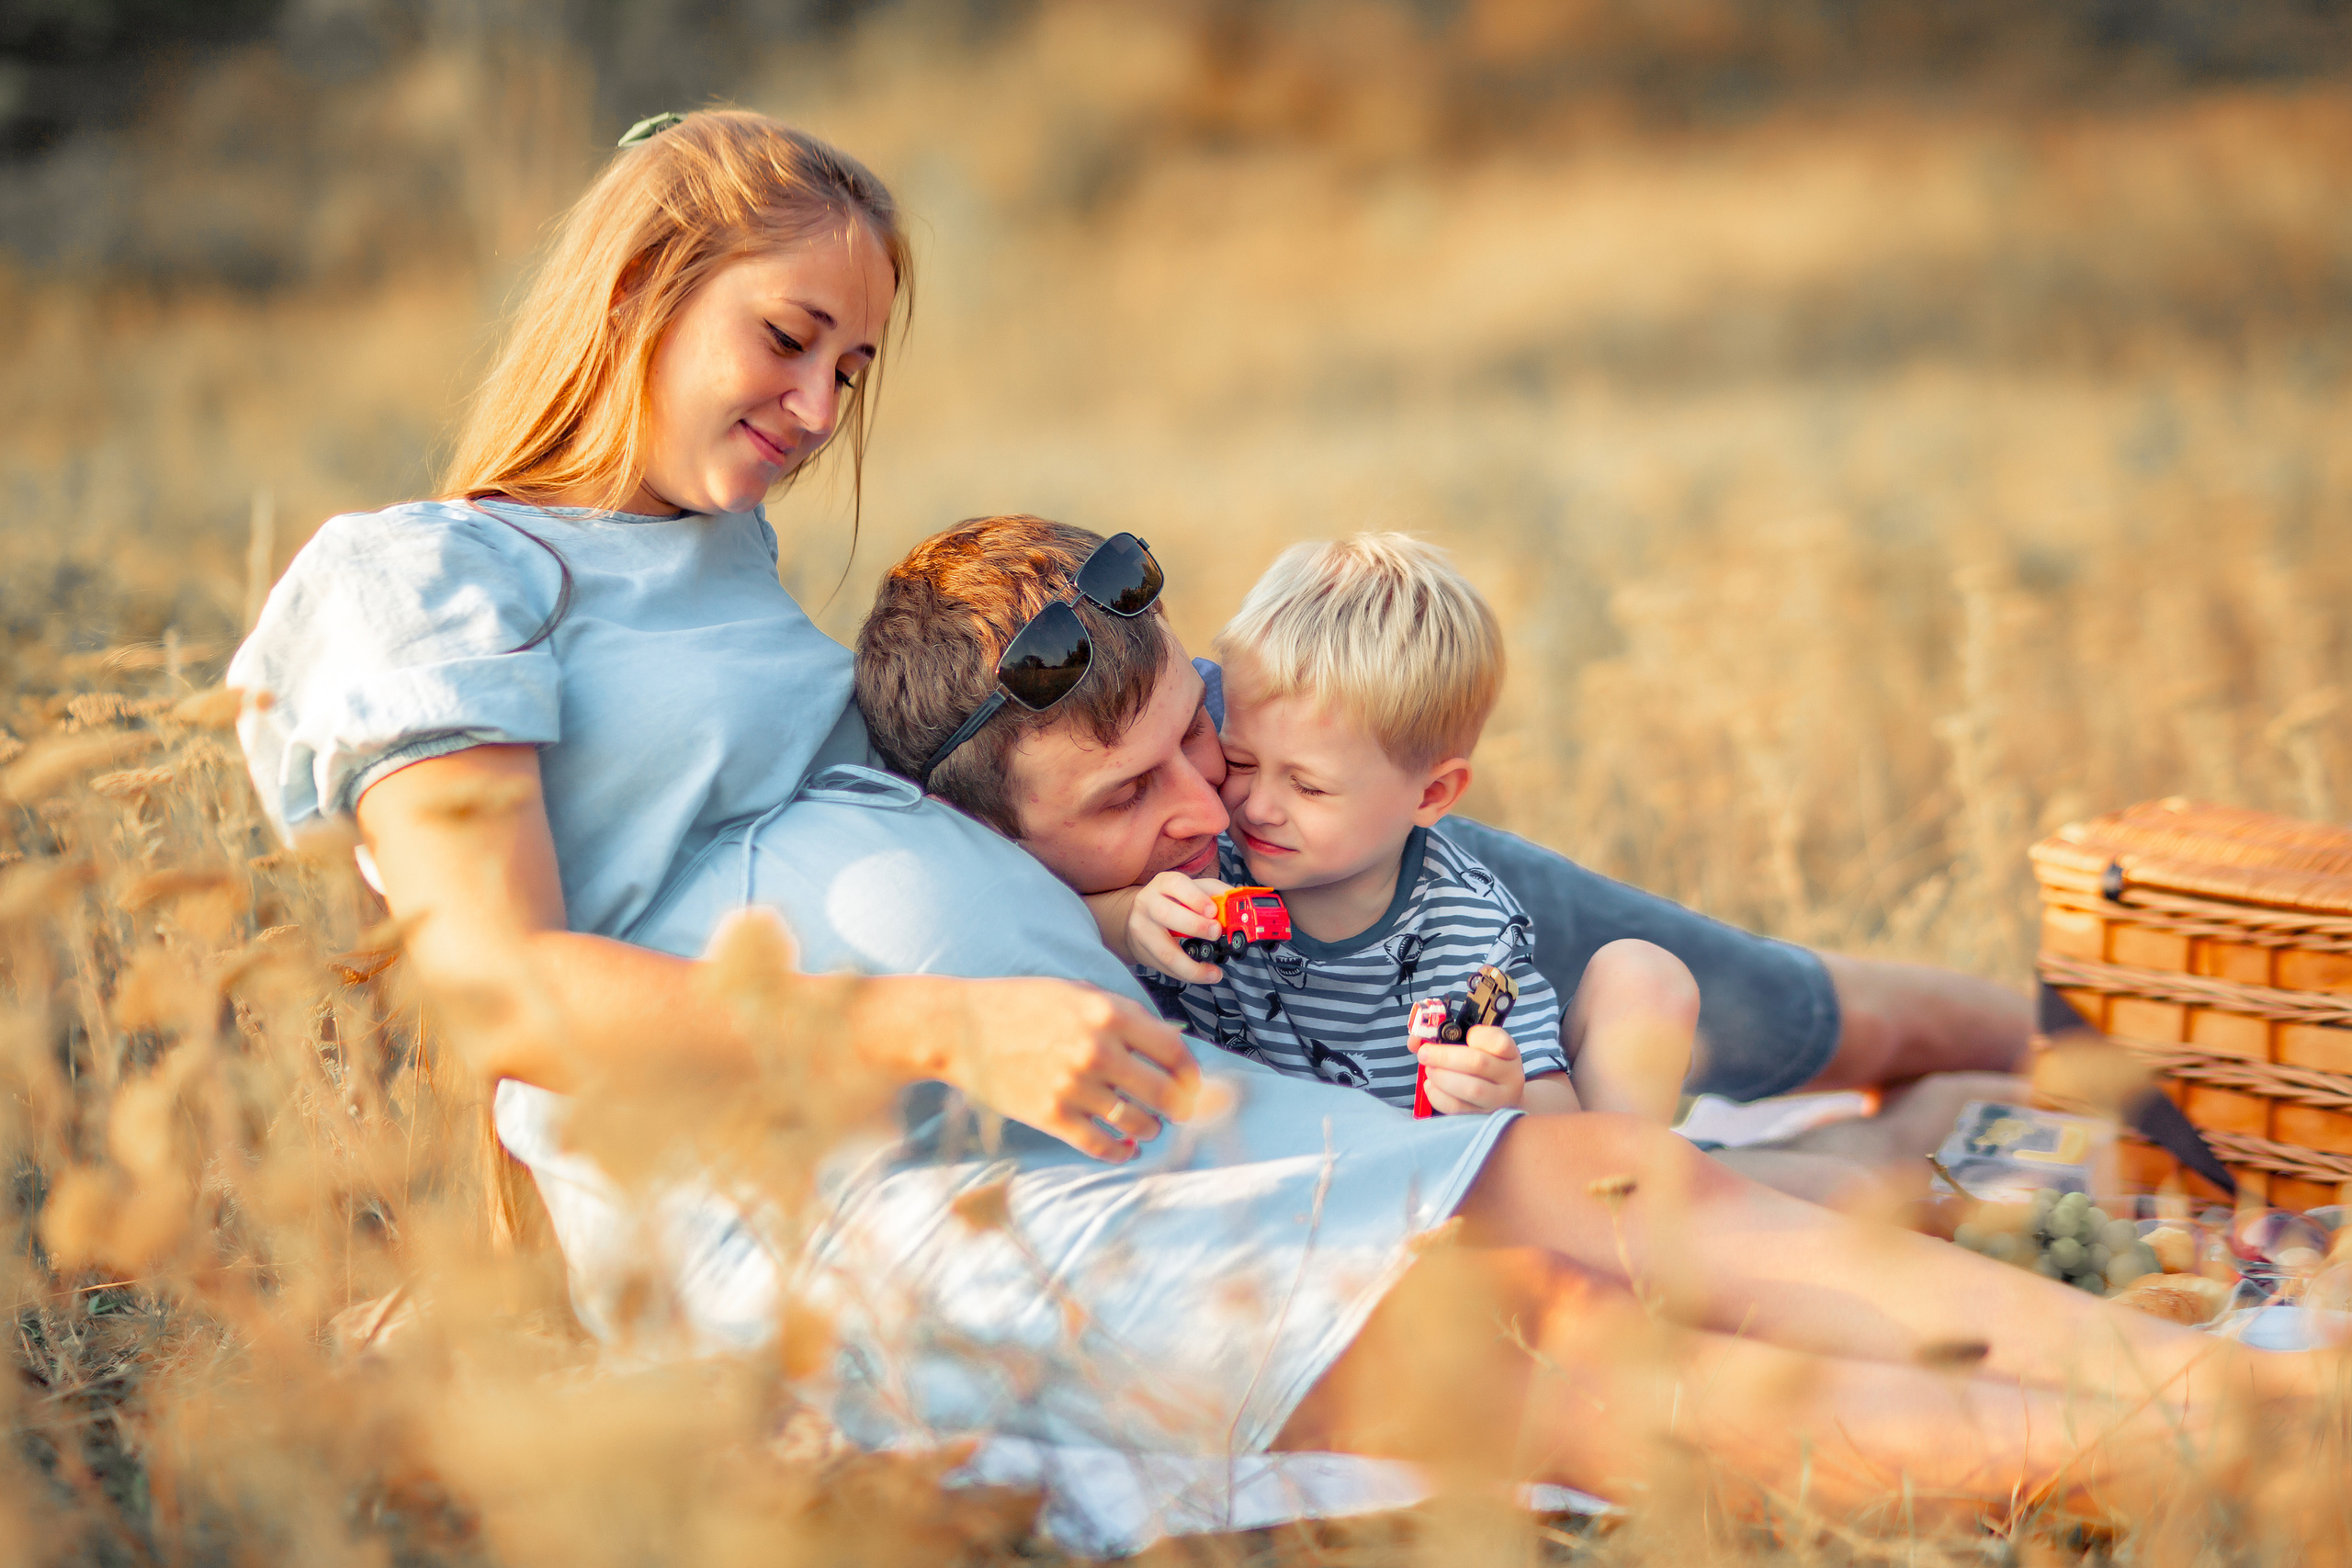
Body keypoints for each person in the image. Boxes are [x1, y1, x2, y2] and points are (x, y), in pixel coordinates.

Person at [230, 109, 2315, 1523]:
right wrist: (941, 1023)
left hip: (1073, 1083)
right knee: (1540, 1359)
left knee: (1586, 1166)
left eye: (851, 365)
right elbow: (497, 991)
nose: (814, 404)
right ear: (635, 282)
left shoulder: (720, 560)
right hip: (868, 1189)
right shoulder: (434, 572)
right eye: (785, 334)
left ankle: (2246, 1395)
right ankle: (2226, 1455)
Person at [1081, 531, 1694, 1122]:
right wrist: (1131, 916)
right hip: (1267, 1181)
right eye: (1241, 761)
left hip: (1434, 1198)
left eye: (1309, 785)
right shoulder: (1203, 864)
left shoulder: (1467, 928)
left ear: (1431, 794)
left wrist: (1507, 1098)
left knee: (1648, 974)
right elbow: (1060, 925)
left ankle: (1630, 1209)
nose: (1256, 805)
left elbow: (1559, 1112)